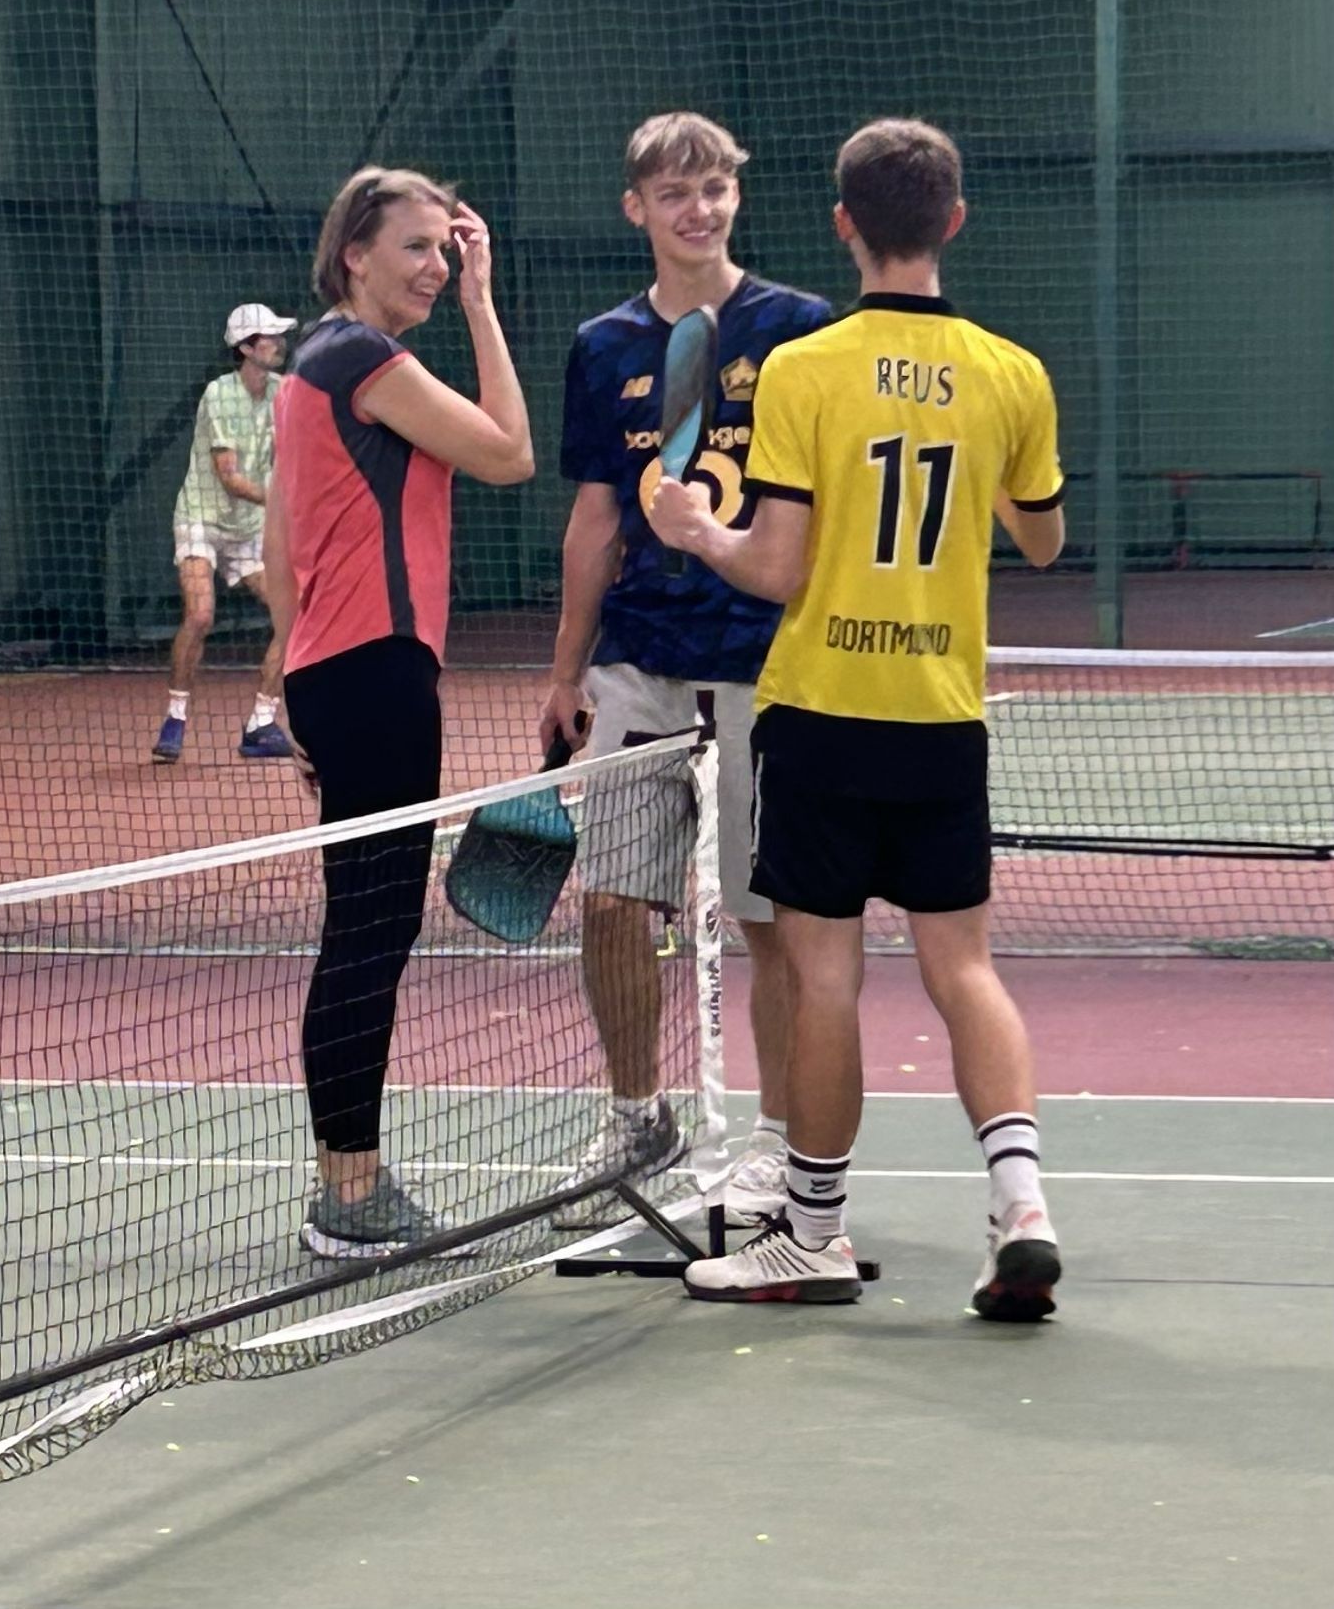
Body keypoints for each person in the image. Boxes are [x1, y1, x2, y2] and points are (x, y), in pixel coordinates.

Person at [650, 118, 1066, 1319]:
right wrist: (985, 472)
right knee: (964, 967)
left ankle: (813, 1235)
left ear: (844, 223)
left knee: (825, 977)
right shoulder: (1013, 373)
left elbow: (776, 565)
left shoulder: (804, 367)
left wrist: (699, 532)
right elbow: (1043, 537)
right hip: (942, 717)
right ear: (954, 220)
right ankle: (1023, 1204)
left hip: (823, 714)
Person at [540, 112, 832, 1226]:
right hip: (639, 661)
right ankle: (635, 1117)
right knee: (613, 902)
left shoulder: (800, 330)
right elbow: (594, 518)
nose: (697, 209)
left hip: (766, 662)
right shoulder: (602, 344)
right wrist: (565, 671)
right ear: (637, 208)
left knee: (771, 916)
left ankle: (780, 1139)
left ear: (735, 197)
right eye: (674, 192)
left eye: (713, 188)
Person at [264, 167, 533, 1258]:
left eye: (446, 250)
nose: (436, 266)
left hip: (343, 673)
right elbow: (510, 453)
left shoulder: (309, 367)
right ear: (355, 255)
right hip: (374, 670)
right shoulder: (364, 359)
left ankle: (351, 1179)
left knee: (367, 924)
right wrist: (482, 305)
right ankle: (349, 1193)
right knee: (371, 928)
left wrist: (291, 680)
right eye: (416, 248)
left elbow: (281, 545)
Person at [152, 303, 296, 764]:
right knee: (200, 615)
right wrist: (285, 503)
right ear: (247, 348)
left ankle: (261, 724)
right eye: (269, 337)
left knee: (294, 616)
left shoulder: (283, 391)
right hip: (201, 517)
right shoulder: (219, 395)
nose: (279, 343)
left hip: (249, 528)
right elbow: (230, 478)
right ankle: (175, 718)